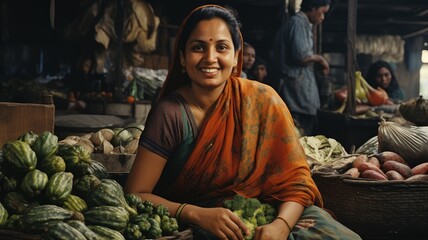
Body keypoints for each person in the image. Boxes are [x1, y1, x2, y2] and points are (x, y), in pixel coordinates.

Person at [125, 4, 361, 240]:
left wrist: (281, 225)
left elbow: (296, 184)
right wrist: (195, 214)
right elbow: (136, 192)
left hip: (276, 211)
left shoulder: (262, 100)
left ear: (236, 56)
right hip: (201, 222)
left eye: (221, 47)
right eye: (198, 47)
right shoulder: (170, 114)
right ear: (183, 58)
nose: (210, 58)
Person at [269, 0, 331, 136]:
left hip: (299, 95)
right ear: (313, 8)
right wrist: (320, 59)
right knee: (298, 134)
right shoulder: (297, 23)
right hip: (296, 96)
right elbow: (301, 56)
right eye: (322, 12)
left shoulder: (300, 23)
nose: (323, 17)